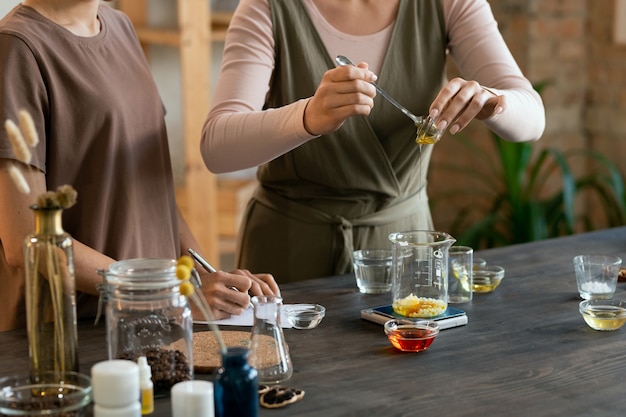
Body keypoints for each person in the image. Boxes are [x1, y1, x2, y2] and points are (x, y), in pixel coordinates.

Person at [200, 0, 546, 283]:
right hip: (287, 258)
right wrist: (307, 117)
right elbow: (217, 148)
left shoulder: (451, 4)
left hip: (405, 254)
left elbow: (532, 118)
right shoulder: (266, 7)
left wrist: (491, 101)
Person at [0, 0, 280, 332]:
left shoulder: (119, 26)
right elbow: (26, 240)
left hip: (155, 321)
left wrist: (204, 277)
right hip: (75, 333)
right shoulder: (16, 47)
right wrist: (164, 292)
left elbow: (155, 197)